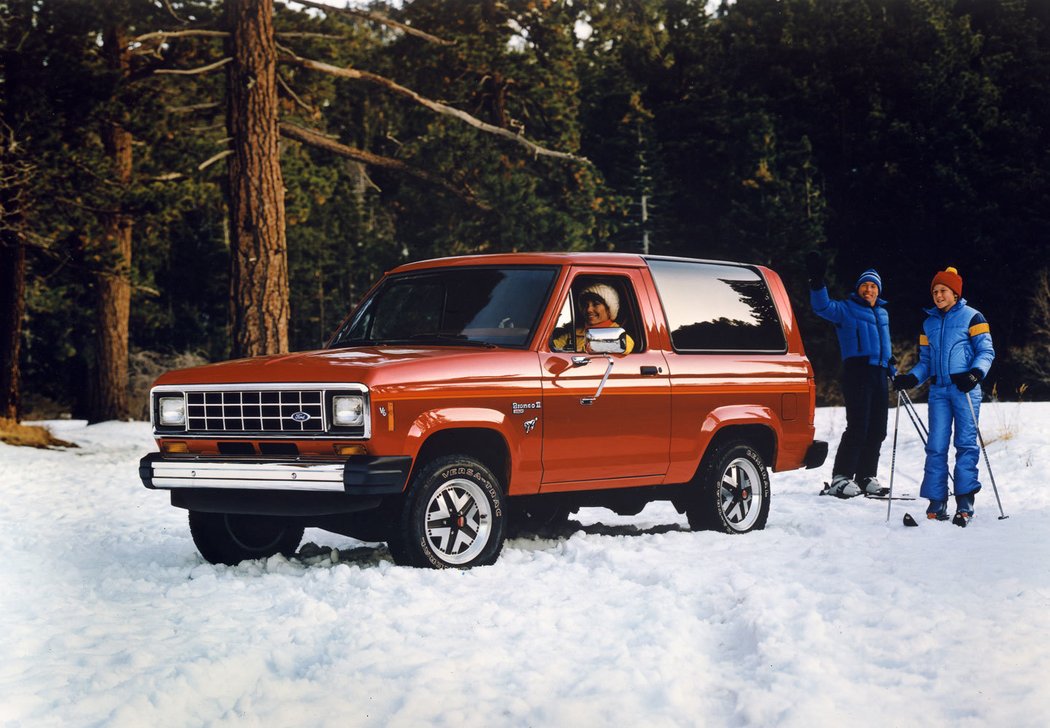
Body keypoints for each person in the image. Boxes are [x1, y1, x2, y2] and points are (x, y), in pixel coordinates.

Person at [893, 266, 994, 527]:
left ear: (955, 293)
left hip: (965, 389)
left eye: (943, 291)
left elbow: (986, 352)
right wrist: (911, 378)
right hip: (938, 391)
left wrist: (974, 374)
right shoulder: (929, 323)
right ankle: (937, 501)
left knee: (965, 444)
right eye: (935, 291)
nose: (938, 295)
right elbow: (925, 361)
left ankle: (965, 501)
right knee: (935, 446)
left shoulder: (974, 317)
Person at [806, 252, 893, 498]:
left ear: (879, 290)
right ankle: (841, 477)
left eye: (873, 285)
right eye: (865, 285)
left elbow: (886, 345)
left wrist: (893, 368)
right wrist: (817, 282)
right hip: (858, 372)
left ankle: (866, 475)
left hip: (880, 373)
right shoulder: (846, 309)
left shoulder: (883, 314)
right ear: (858, 288)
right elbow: (821, 307)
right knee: (858, 426)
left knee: (878, 429)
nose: (869, 289)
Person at [552, 283, 635, 354]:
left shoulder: (615, 332)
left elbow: (627, 345)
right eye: (586, 305)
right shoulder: (573, 333)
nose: (589, 309)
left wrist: (588, 349)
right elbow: (553, 347)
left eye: (596, 304)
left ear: (609, 309)